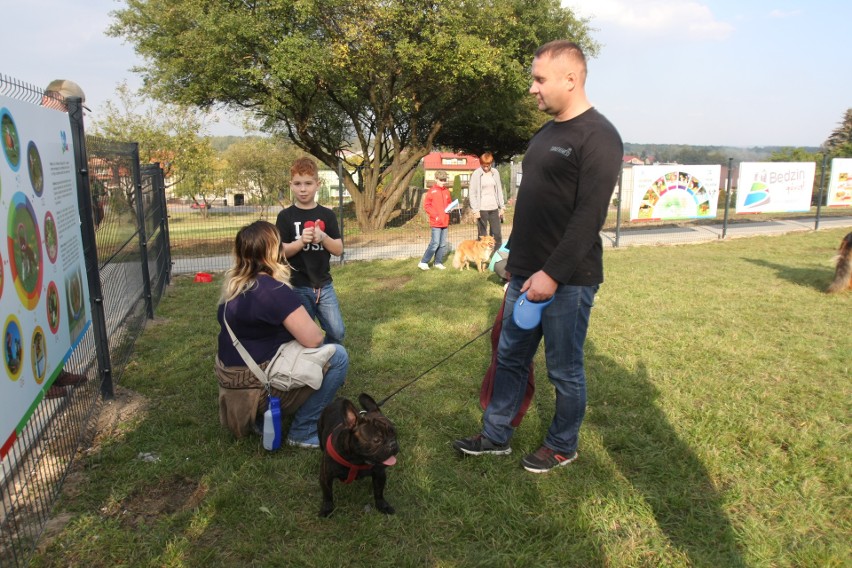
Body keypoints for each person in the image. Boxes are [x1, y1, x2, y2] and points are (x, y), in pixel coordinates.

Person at [453, 40, 623, 473]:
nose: (532, 89)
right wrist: (513, 262)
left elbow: (588, 218)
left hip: (568, 279)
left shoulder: (599, 136)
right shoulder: (545, 135)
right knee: (509, 357)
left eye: (539, 79)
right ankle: (495, 435)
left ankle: (562, 444)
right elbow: (532, 208)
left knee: (563, 371)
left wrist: (551, 274)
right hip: (524, 273)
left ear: (571, 78)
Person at [215, 220, 348, 448]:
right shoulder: (272, 289)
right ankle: (303, 431)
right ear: (273, 251)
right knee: (337, 356)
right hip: (258, 390)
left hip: (232, 388)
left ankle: (258, 420)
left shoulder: (232, 288)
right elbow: (314, 339)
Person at [41, 79, 91, 398]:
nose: (76, 118)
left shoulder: (55, 133)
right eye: (72, 109)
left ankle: (55, 373)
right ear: (57, 101)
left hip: (53, 241)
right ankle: (40, 384)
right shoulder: (35, 128)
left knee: (50, 311)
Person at [276, 157, 345, 344]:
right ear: (291, 185)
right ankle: (311, 366)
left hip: (324, 286)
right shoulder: (285, 216)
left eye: (308, 183)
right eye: (298, 184)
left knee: (337, 332)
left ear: (317, 184)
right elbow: (279, 253)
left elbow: (338, 250)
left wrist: (323, 238)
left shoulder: (327, 215)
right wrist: (300, 243)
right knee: (304, 337)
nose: (303, 189)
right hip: (297, 286)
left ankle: (331, 359)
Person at [468, 152, 505, 250]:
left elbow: (499, 190)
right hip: (482, 209)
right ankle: (482, 258)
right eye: (483, 166)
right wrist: (475, 210)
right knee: (483, 235)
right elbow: (472, 193)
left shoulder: (495, 173)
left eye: (487, 166)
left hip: (494, 208)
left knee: (496, 234)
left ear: (491, 163)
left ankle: (496, 257)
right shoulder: (476, 174)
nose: (485, 168)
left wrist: (502, 207)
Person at [418, 170, 452, 270]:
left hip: (445, 221)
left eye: (445, 180)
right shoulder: (431, 191)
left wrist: (451, 208)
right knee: (435, 243)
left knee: (442, 244)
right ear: (436, 179)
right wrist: (435, 215)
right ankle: (423, 262)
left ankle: (438, 262)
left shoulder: (446, 191)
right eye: (441, 180)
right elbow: (427, 206)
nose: (443, 182)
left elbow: (449, 203)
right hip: (436, 222)